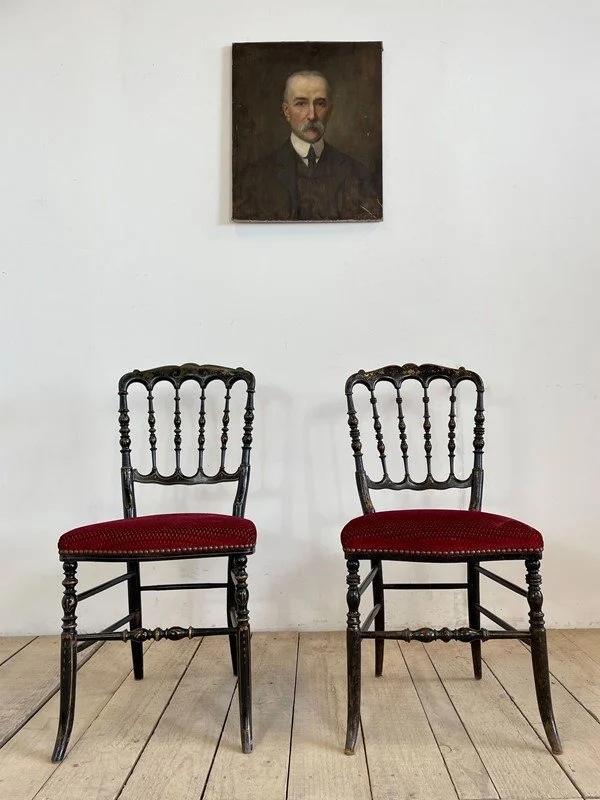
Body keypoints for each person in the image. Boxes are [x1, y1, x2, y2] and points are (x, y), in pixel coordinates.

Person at [233, 70, 382, 222]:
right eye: (301, 103)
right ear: (287, 111)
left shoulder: (359, 174)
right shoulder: (254, 178)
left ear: (329, 111)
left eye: (320, 104)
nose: (312, 115)